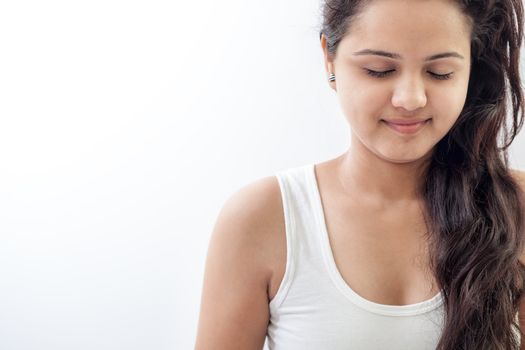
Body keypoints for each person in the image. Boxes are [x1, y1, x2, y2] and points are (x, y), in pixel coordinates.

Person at [194, 0, 525, 348]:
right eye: (379, 70)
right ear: (329, 58)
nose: (410, 99)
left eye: (440, 72)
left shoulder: (514, 207)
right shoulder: (264, 219)